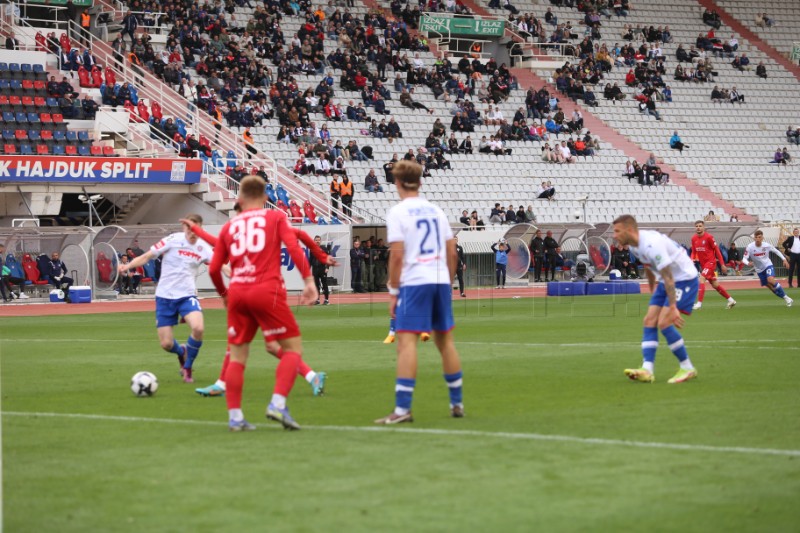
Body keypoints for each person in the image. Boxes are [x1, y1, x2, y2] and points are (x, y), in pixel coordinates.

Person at [208, 176, 319, 431]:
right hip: (267, 290)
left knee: (237, 356)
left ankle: (235, 418)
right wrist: (309, 281)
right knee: (292, 349)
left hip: (237, 292)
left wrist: (224, 294)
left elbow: (215, 269)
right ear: (266, 197)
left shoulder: (230, 226)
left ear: (240, 198)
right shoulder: (275, 217)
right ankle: (278, 404)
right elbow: (293, 247)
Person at [184, 216, 334, 399]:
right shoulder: (248, 233)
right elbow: (217, 242)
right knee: (265, 345)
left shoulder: (261, 230)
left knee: (256, 342)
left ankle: (229, 390)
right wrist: (196, 230)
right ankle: (312, 377)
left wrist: (320, 256)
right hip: (252, 293)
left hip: (266, 293)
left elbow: (299, 235)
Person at [376, 160, 464, 424]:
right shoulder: (436, 211)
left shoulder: (398, 212)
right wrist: (447, 284)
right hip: (438, 279)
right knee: (445, 342)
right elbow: (451, 252)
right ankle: (456, 403)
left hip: (415, 281)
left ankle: (402, 410)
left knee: (406, 343)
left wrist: (393, 290)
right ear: (421, 182)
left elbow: (397, 256)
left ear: (397, 183)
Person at [119, 215, 211, 383]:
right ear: (184, 227)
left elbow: (221, 265)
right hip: (164, 297)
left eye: (196, 229)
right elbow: (147, 256)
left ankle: (188, 367)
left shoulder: (203, 247)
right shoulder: (172, 240)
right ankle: (181, 351)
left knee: (198, 328)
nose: (193, 233)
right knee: (166, 344)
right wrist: (128, 266)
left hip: (187, 296)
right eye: (190, 228)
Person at [613, 214, 700, 384]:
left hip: (684, 279)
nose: (614, 235)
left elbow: (668, 277)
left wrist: (673, 306)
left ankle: (688, 367)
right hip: (665, 280)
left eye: (617, 231)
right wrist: (654, 292)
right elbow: (649, 268)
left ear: (630, 230)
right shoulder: (634, 246)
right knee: (649, 320)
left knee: (664, 322)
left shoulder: (652, 244)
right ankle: (647, 369)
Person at [690, 221, 736, 310]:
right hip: (703, 265)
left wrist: (722, 264)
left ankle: (699, 304)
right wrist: (691, 259)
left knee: (702, 278)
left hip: (711, 263)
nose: (698, 227)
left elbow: (717, 251)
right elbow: (693, 252)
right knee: (715, 285)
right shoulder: (693, 239)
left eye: (700, 226)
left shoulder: (709, 237)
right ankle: (731, 300)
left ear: (703, 227)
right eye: (697, 226)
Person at [743, 230, 793, 307]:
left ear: (762, 238)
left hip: (767, 265)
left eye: (759, 237)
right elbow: (744, 259)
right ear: (754, 238)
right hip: (759, 270)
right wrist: (748, 263)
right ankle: (787, 298)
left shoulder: (766, 245)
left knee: (770, 280)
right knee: (771, 288)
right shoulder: (750, 247)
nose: (757, 239)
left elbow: (776, 251)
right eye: (756, 237)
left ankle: (787, 298)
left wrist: (784, 259)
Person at [312, 235, 331, 304]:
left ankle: (326, 299)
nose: (317, 241)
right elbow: (310, 260)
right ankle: (317, 299)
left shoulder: (324, 248)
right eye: (316, 240)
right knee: (316, 285)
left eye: (318, 240)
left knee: (324, 284)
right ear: (314, 241)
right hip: (315, 269)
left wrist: (327, 267)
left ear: (320, 241)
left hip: (322, 268)